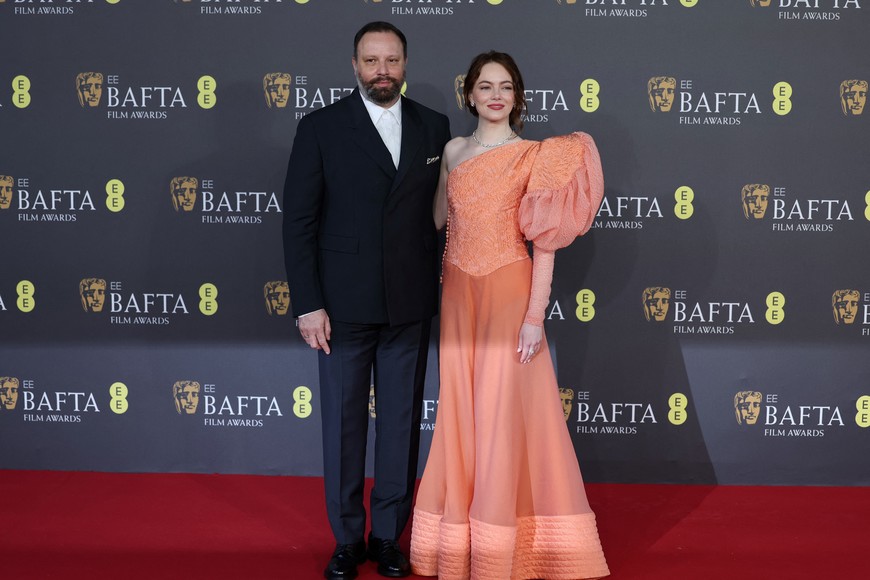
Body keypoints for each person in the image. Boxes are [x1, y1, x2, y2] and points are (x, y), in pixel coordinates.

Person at [410, 51, 609, 579]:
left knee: (500, 411)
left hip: (509, 290)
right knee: (459, 409)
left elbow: (545, 245)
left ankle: (500, 549)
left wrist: (534, 316)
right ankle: (456, 544)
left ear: (517, 97)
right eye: (484, 86)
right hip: (456, 291)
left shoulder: (537, 155)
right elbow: (437, 220)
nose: (495, 95)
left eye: (505, 87)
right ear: (469, 94)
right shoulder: (451, 150)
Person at [281, 21, 451, 580]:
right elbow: (299, 223)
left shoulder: (434, 127)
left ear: (406, 64)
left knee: (400, 425)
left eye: (392, 60)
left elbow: (442, 219)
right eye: (371, 60)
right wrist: (309, 303)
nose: (383, 70)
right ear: (354, 65)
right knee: (344, 427)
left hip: (408, 305)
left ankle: (388, 538)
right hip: (341, 308)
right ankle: (347, 541)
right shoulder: (321, 127)